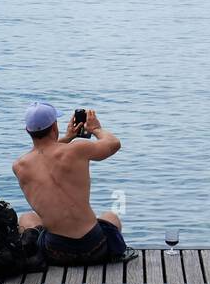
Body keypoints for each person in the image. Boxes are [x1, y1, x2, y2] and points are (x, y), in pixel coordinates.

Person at [13, 101, 132, 265]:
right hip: (95, 247)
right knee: (111, 217)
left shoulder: (20, 167)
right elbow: (113, 144)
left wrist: (68, 137)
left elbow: (43, 156)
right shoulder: (78, 149)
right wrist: (96, 129)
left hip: (56, 252)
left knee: (27, 218)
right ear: (54, 126)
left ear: (28, 130)